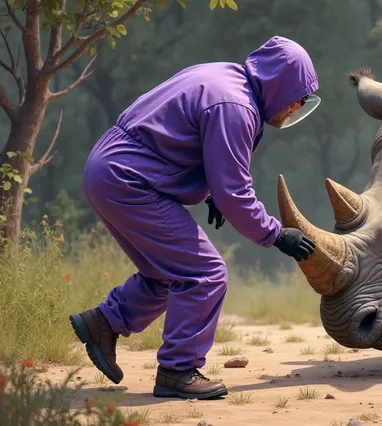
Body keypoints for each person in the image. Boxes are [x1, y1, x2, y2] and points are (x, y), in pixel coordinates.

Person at [68, 35, 319, 400]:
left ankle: (104, 323)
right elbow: (235, 193)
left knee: (166, 274)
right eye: (298, 96)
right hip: (129, 180)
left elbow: (188, 144)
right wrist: (277, 235)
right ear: (280, 85)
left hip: (107, 171)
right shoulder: (236, 106)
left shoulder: (224, 77)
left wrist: (213, 189)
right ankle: (178, 369)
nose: (297, 106)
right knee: (205, 273)